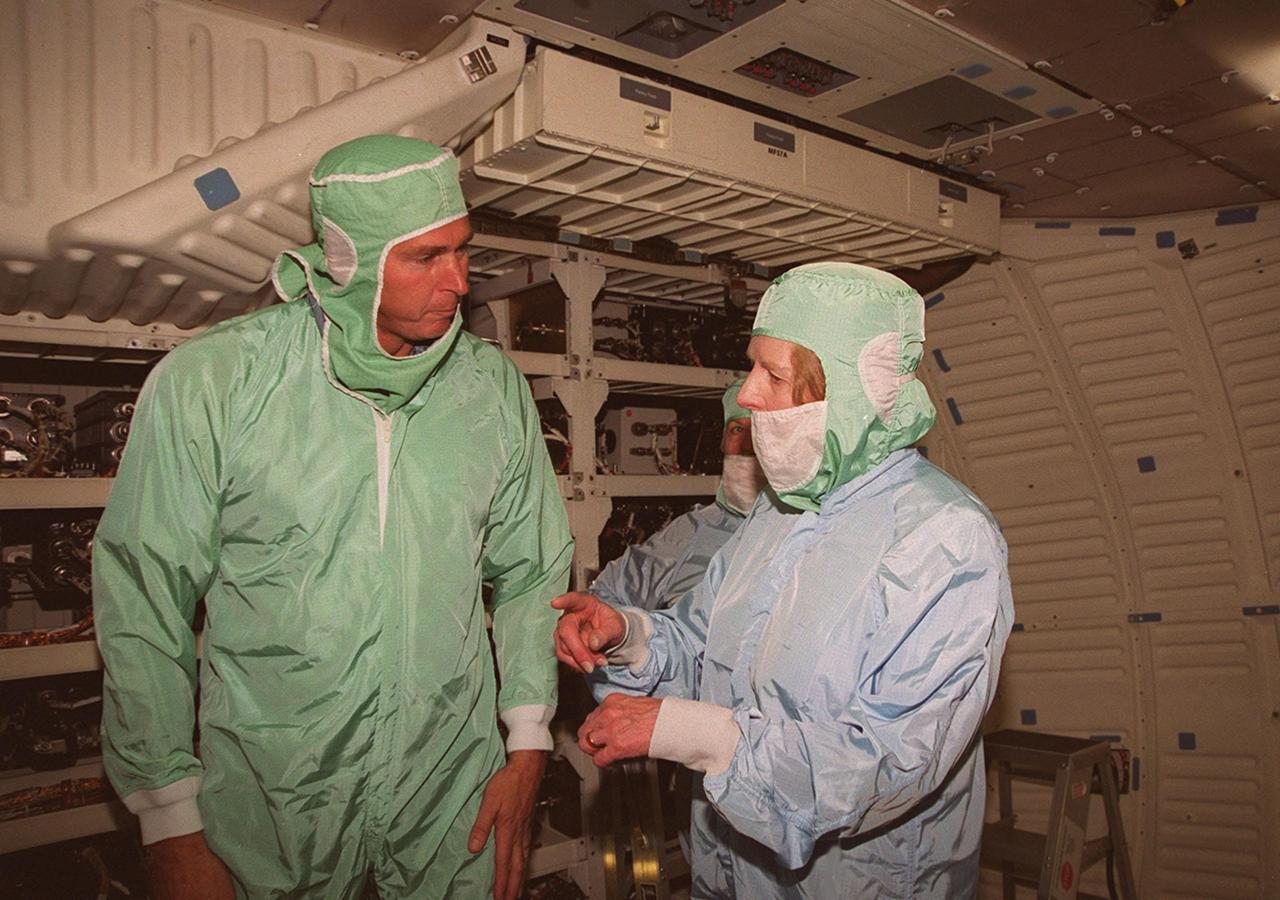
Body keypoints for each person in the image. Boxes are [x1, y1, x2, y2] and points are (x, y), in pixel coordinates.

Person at [93, 135, 573, 900]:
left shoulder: (489, 391)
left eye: (462, 250)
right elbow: (142, 596)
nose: (458, 281)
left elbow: (533, 574)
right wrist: (168, 821)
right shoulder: (216, 382)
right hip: (272, 799)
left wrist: (526, 747)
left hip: (453, 791)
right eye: (425, 257)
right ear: (351, 259)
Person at [553, 262, 1013, 898]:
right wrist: (626, 634)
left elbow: (889, 758)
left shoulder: (944, 538)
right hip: (732, 870)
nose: (745, 394)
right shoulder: (777, 513)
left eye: (773, 374)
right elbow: (701, 647)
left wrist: (699, 735)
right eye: (752, 368)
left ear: (848, 393)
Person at [590, 378, 765, 613]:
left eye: (759, 430)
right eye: (737, 430)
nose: (747, 445)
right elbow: (603, 599)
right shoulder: (692, 533)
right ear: (722, 442)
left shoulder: (810, 525)